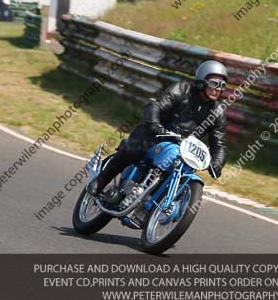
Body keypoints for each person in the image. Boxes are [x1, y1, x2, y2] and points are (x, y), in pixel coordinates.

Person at [86, 60, 229, 201]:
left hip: (183, 148)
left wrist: (217, 163)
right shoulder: (182, 90)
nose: (218, 89)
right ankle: (101, 181)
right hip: (156, 133)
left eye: (222, 86)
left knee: (184, 172)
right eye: (214, 83)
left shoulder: (218, 112)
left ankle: (154, 202)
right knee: (134, 149)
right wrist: (155, 124)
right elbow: (156, 105)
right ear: (202, 81)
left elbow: (220, 143)